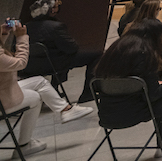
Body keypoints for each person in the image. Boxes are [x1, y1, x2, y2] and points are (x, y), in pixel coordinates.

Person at [94, 32, 162, 157]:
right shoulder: (143, 61)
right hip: (132, 115)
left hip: (107, 117)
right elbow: (154, 94)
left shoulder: (104, 67)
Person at [2, 19, 94, 157]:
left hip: (4, 89)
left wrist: (3, 33)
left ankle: (65, 109)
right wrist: (21, 38)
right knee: (36, 97)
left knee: (40, 81)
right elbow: (20, 63)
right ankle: (24, 144)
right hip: (3, 100)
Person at [22, 0, 101, 103]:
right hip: (53, 65)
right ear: (51, 10)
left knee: (56, 53)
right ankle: (87, 93)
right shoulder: (56, 26)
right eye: (55, 7)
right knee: (97, 54)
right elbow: (71, 48)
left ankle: (54, 88)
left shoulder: (25, 27)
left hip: (30, 66)